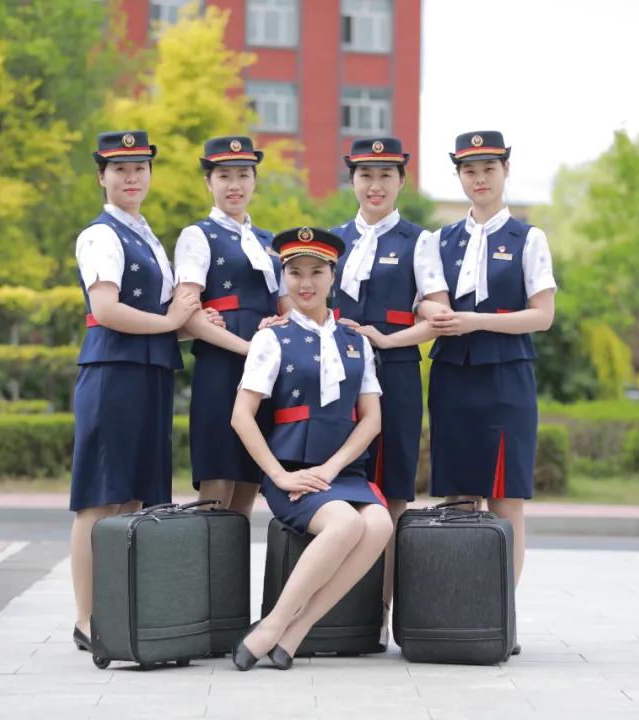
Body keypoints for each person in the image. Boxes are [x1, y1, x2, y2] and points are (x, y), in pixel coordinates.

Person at [68, 130, 212, 653]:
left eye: (140, 168)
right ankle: (87, 620)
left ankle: (121, 614)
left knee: (133, 498)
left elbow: (159, 316)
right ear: (101, 176)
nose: (131, 177)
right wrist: (172, 320)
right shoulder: (100, 234)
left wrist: (188, 324)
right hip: (113, 373)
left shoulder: (146, 235)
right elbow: (106, 310)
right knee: (99, 500)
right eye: (120, 168)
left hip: (150, 371)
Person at [229, 227, 394, 670]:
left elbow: (372, 420)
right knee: (345, 523)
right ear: (283, 277)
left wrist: (334, 467)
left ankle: (296, 632)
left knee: (380, 524)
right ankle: (272, 627)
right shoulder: (271, 338)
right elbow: (241, 416)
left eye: (316, 272)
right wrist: (279, 476)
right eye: (295, 273)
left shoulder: (356, 342)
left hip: (341, 473)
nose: (305, 283)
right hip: (291, 472)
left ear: (332, 276)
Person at [422, 131, 557, 656]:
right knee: (459, 498)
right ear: (458, 175)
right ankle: (462, 613)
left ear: (505, 171)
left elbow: (542, 316)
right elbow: (432, 304)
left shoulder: (528, 237)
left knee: (506, 499)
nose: (479, 179)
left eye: (488, 168)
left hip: (506, 377)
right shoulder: (439, 240)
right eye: (469, 170)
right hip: (453, 375)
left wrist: (476, 320)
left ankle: (501, 615)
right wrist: (435, 312)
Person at [329, 136, 450, 616]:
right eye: (365, 175)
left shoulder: (419, 241)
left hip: (396, 372)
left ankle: (381, 609)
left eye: (385, 175)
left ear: (401, 181)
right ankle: (342, 612)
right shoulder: (332, 240)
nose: (375, 185)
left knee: (394, 491)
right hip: (336, 376)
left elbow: (437, 314)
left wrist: (387, 339)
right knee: (340, 484)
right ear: (352, 181)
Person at [174, 136, 289, 517]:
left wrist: (282, 331)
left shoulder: (270, 242)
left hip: (265, 369)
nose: (234, 185)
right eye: (224, 176)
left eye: (243, 175)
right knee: (219, 476)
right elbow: (187, 310)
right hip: (221, 363)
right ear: (208, 182)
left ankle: (234, 559)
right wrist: (249, 349)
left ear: (255, 181)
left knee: (249, 477)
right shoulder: (198, 235)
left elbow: (288, 306)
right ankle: (206, 558)